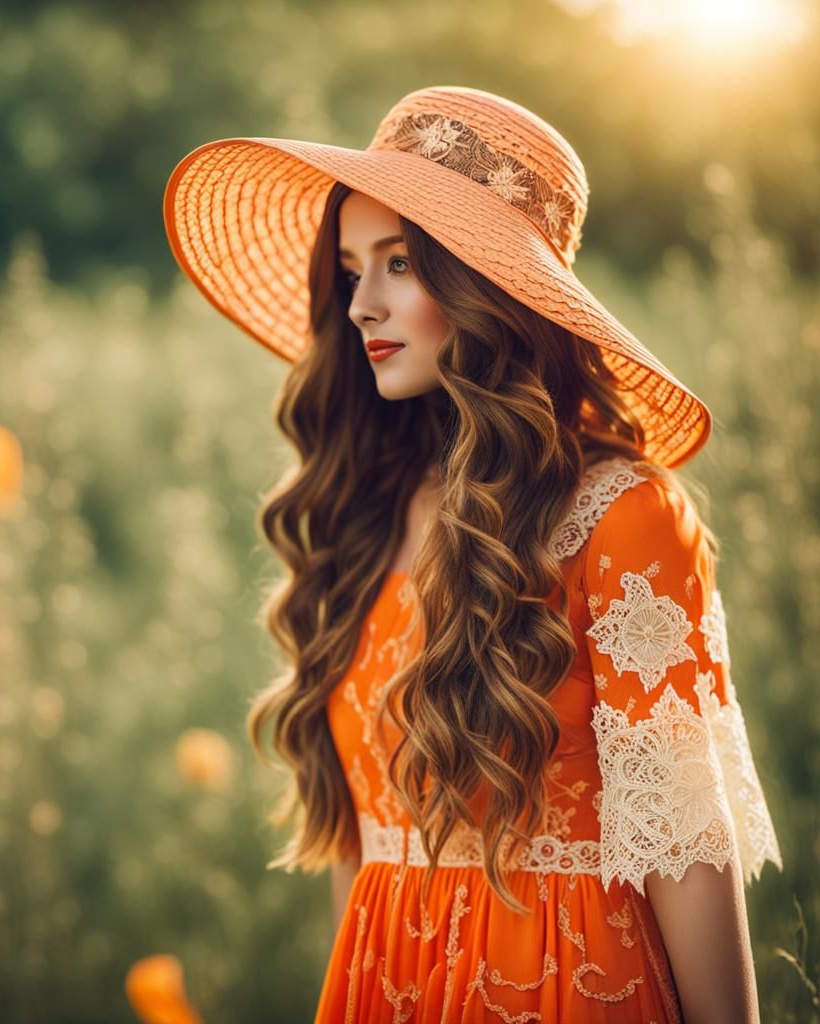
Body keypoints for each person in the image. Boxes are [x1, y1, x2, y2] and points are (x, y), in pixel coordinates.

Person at [163, 86, 783, 1023]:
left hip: (567, 988)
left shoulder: (624, 517)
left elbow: (684, 845)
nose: (363, 303)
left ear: (490, 285)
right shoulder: (364, 517)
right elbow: (361, 851)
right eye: (350, 269)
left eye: (401, 262)